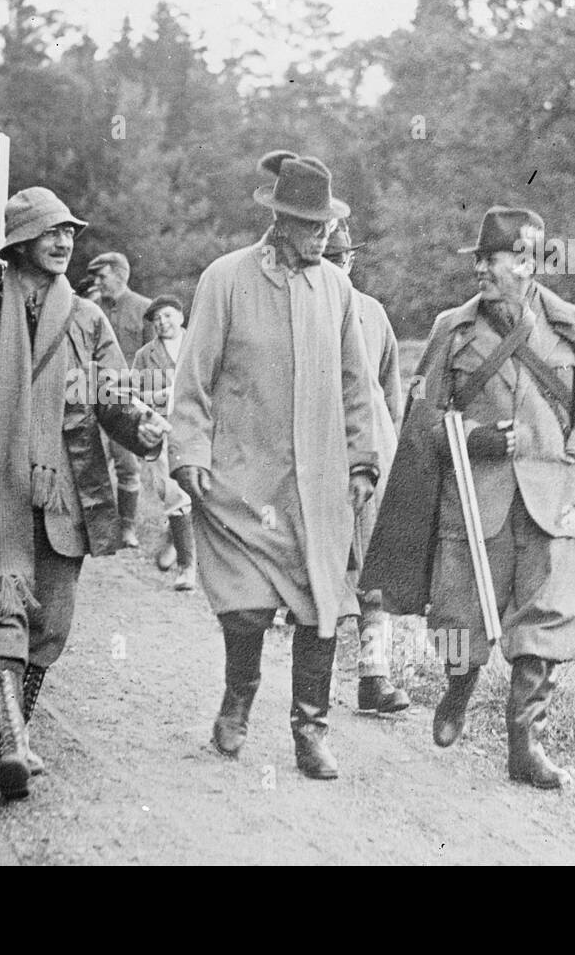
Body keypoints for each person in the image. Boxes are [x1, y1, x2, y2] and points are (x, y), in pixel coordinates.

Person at [361, 206, 575, 789]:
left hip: (552, 502)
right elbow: (423, 420)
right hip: (475, 503)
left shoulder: (573, 326)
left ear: (526, 264)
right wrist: (470, 439)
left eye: (490, 259)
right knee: (459, 614)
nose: (479, 268)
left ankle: (524, 744)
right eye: (476, 259)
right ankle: (457, 690)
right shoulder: (452, 328)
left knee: (547, 619)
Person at [0, 187, 166, 799]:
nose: (62, 243)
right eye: (51, 233)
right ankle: (9, 742)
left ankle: (17, 730)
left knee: (50, 617)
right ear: (20, 241)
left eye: (70, 233)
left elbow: (112, 395)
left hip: (64, 488)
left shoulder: (87, 319)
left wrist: (141, 424)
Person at [169, 151, 379, 780]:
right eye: (313, 227)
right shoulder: (225, 279)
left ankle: (310, 729)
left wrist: (363, 459)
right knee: (247, 606)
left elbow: (356, 384)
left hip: (317, 482)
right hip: (241, 477)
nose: (325, 238)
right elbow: (194, 377)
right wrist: (189, 453)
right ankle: (239, 695)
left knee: (322, 605)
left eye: (328, 227)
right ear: (283, 221)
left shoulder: (336, 288)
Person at [322, 225, 411, 714]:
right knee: (326, 569)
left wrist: (381, 452)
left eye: (344, 258)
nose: (338, 266)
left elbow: (388, 393)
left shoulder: (373, 313)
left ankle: (373, 678)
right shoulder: (305, 313)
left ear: (352, 262)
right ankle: (316, 683)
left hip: (371, 457)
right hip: (320, 458)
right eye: (328, 257)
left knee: (374, 572)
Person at [87, 252, 153, 547]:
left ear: (120, 276)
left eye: (102, 276)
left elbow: (153, 357)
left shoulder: (144, 309)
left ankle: (127, 528)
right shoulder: (89, 308)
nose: (97, 282)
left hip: (128, 400)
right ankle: (96, 528)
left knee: (127, 465)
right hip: (91, 396)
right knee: (90, 462)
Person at [130, 294, 195, 591]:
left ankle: (181, 549)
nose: (162, 323)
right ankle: (186, 567)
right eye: (157, 319)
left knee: (198, 490)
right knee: (169, 491)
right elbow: (131, 395)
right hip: (160, 428)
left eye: (167, 315)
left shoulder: (198, 343)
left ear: (180, 316)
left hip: (196, 428)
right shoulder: (146, 355)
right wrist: (154, 399)